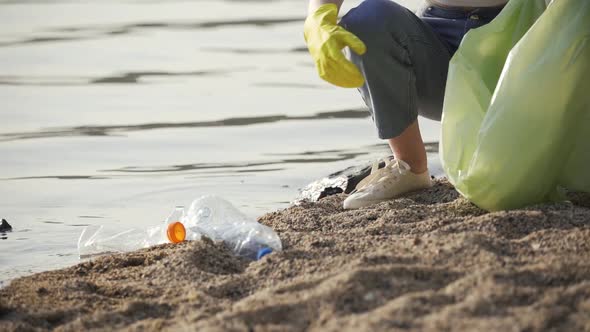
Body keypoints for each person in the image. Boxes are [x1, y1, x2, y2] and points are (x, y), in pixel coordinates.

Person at [304, 0, 507, 209]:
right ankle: (410, 167)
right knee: (369, 19)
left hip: (517, 33)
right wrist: (318, 16)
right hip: (435, 47)